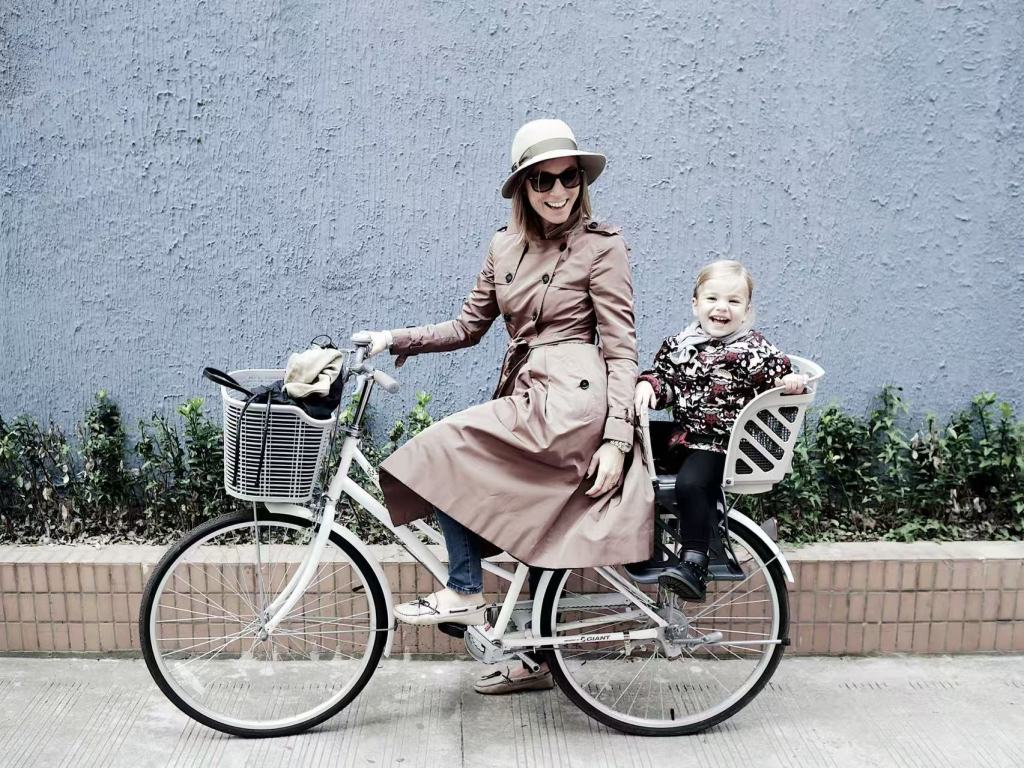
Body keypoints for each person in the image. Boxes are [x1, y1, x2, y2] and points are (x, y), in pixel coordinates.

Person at [358, 118, 654, 694]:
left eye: (568, 177)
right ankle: (532, 658)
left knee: (445, 451)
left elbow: (621, 350)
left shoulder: (602, 247)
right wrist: (394, 338)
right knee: (511, 507)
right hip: (528, 394)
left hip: (573, 404)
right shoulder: (504, 246)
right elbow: (469, 326)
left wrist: (619, 441)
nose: (558, 192)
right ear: (523, 186)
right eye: (543, 181)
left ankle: (465, 590)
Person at [626, 260, 806, 601]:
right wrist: (650, 386)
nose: (721, 308)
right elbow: (664, 378)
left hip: (720, 444)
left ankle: (695, 562)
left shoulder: (752, 350)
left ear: (747, 311)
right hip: (684, 433)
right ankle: (640, 541)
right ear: (696, 304)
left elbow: (778, 373)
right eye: (712, 299)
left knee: (691, 483)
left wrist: (789, 381)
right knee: (630, 444)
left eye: (733, 302)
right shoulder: (681, 344)